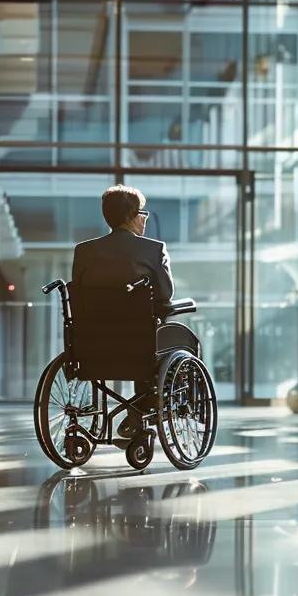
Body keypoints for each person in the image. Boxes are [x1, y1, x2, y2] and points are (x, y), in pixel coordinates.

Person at [72, 185, 187, 440]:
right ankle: (143, 412)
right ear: (132, 216)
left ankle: (128, 416)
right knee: (170, 339)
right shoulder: (153, 249)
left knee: (140, 337)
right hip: (137, 347)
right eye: (142, 214)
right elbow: (165, 295)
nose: (144, 220)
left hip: (92, 347)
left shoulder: (84, 251)